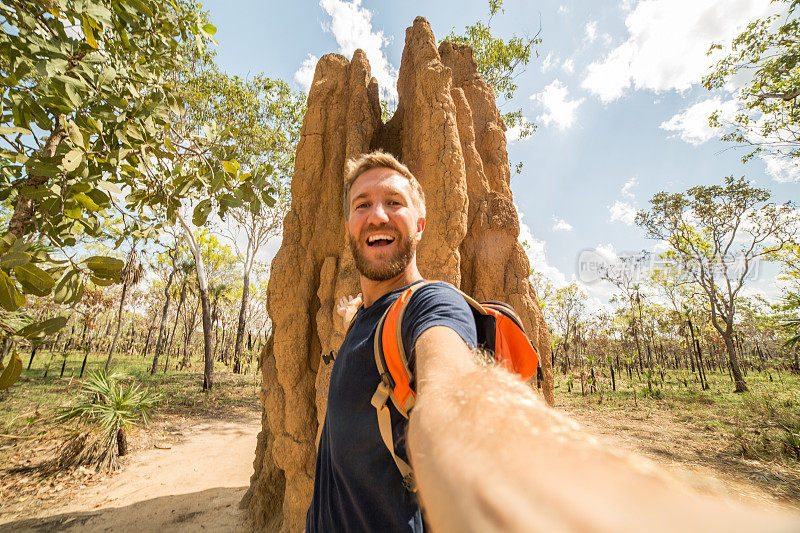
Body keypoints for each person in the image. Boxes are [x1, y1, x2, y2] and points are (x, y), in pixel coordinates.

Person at [306, 151, 794, 533]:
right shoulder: (360, 320)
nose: (377, 214)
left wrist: (564, 496)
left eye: (394, 202)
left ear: (421, 224)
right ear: (349, 225)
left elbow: (454, 392)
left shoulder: (431, 305)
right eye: (362, 204)